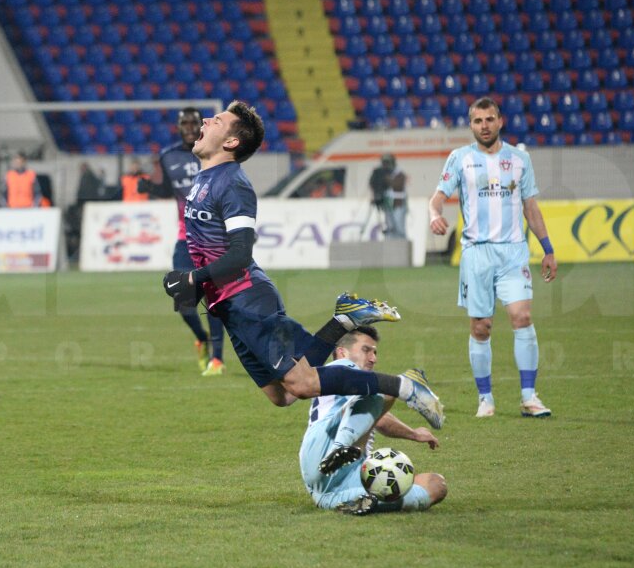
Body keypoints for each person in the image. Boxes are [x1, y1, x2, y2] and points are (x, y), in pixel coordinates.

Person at [162, 100, 445, 424]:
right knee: (283, 395)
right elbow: (209, 247)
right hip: (228, 309)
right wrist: (196, 285)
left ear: (231, 142)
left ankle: (407, 386)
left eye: (217, 120)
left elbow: (240, 255)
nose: (207, 119)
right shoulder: (202, 180)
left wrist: (193, 280)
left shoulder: (233, 184)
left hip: (248, 301)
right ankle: (343, 321)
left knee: (304, 383)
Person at [427, 96, 558, 419]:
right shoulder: (459, 158)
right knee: (481, 327)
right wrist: (434, 214)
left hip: (513, 251)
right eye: (477, 121)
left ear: (500, 121)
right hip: (477, 254)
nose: (484, 126)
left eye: (489, 119)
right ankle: (485, 398)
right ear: (471, 125)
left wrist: (548, 248)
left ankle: (529, 396)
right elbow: (438, 197)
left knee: (522, 317)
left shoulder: (519, 159)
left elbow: (531, 206)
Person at [301, 327, 448, 515]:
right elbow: (379, 409)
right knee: (383, 388)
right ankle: (340, 448)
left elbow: (377, 417)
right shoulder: (338, 370)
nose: (373, 358)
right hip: (322, 449)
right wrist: (412, 432)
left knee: (436, 485)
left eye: (375, 352)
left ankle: (368, 500)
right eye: (366, 350)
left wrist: (414, 434)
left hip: (331, 489)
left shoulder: (359, 391)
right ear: (342, 352)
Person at [140, 107, 227, 376]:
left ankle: (217, 359)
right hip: (185, 237)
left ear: (200, 125)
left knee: (214, 299)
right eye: (184, 123)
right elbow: (168, 189)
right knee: (182, 299)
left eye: (193, 122)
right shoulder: (168, 156)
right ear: (179, 127)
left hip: (214, 237)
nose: (189, 126)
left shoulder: (217, 152)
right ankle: (200, 338)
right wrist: (150, 188)